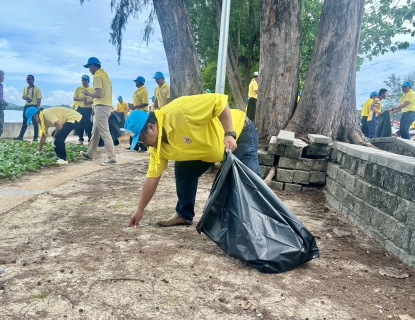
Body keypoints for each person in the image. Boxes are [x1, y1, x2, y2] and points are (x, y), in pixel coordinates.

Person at [127, 93, 261, 228]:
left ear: (151, 127)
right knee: (183, 169)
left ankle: (260, 224)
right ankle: (183, 214)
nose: (144, 145)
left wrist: (229, 133)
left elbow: (219, 101)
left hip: (239, 133)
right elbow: (152, 179)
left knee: (250, 183)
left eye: (142, 140)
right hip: (211, 148)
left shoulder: (179, 111)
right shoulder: (157, 149)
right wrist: (140, 209)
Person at [79, 57, 117, 166]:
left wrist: (88, 94)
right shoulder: (105, 76)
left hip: (101, 107)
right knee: (95, 133)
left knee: (104, 133)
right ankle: (90, 153)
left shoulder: (97, 76)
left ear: (93, 65)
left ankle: (112, 157)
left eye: (89, 67)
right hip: (104, 107)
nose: (89, 69)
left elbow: (98, 94)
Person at [15, 75, 42, 141]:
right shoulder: (25, 88)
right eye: (27, 79)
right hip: (27, 106)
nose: (28, 81)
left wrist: (38, 108)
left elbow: (39, 98)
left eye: (30, 79)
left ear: (33, 80)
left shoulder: (37, 89)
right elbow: (23, 96)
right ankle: (20, 136)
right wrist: (25, 98)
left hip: (34, 107)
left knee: (35, 123)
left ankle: (35, 137)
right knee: (25, 122)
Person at [128, 76, 149, 152]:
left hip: (141, 113)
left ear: (140, 82)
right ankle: (134, 146)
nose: (135, 83)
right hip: (136, 113)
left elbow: (146, 103)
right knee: (133, 129)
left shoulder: (144, 91)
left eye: (136, 81)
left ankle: (143, 147)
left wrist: (135, 106)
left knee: (141, 130)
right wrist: (132, 106)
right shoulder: (137, 91)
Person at [73, 74, 94, 145]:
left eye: (85, 80)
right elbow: (74, 98)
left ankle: (90, 140)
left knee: (89, 125)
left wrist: (88, 102)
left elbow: (95, 100)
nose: (84, 81)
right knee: (80, 125)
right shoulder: (78, 89)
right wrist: (82, 99)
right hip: (80, 109)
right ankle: (80, 140)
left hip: (88, 109)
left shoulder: (92, 90)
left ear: (88, 81)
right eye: (83, 80)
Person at [0, 70, 6, 138]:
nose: (3, 78)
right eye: (2, 76)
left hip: (1, 107)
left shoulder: (1, 86)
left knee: (1, 123)